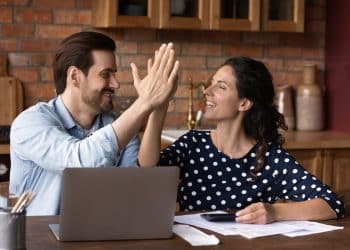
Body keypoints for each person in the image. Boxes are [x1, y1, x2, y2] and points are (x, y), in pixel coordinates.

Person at [138, 56, 345, 224]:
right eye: (211, 84)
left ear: (244, 103)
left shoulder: (269, 158)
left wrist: (274, 211)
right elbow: (148, 168)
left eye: (220, 87)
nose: (207, 92)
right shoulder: (193, 144)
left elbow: (331, 204)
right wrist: (158, 106)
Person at [9, 31, 179, 215]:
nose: (115, 84)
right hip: (37, 240)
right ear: (75, 76)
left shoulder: (117, 126)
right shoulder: (30, 123)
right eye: (106, 74)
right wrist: (144, 102)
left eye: (114, 74)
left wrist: (158, 106)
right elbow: (79, 162)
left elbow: (138, 183)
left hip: (100, 238)